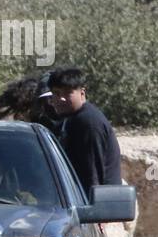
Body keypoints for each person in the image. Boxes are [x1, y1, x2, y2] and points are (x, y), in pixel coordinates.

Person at [47, 67, 122, 200]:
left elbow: (92, 171)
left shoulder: (88, 122)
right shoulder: (71, 118)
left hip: (100, 207)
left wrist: (96, 212)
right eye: (56, 93)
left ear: (82, 93)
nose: (61, 99)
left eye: (67, 93)